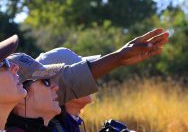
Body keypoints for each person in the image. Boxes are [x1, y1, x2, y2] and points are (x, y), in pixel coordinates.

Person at [36, 28, 169, 106]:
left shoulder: (68, 126)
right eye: (77, 73)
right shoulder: (51, 130)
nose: (90, 79)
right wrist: (119, 57)